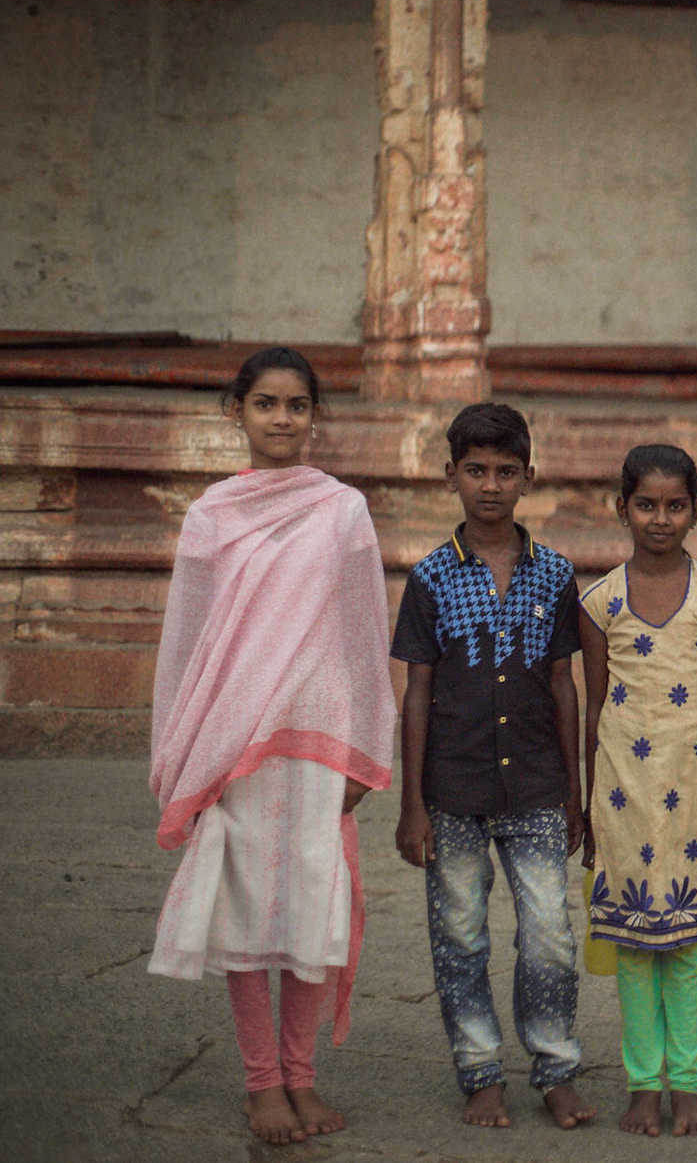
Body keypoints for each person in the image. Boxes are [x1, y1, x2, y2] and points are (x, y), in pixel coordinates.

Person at [149, 347, 395, 1146]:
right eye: (265, 404)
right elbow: (188, 640)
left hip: (317, 736)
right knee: (249, 912)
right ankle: (263, 1085)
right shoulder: (212, 514)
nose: (282, 419)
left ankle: (303, 1077)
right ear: (237, 412)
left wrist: (363, 745)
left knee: (313, 910)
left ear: (314, 416)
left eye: (296, 405)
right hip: (236, 737)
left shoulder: (341, 509)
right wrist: (189, 747)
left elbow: (364, 633)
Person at [390, 403, 596, 1132]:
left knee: (548, 937)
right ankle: (480, 1072)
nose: (490, 485)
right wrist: (412, 804)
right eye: (475, 470)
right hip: (454, 792)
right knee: (460, 939)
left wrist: (575, 792)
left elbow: (564, 685)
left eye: (506, 471)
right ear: (450, 475)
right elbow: (416, 693)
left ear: (527, 479)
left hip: (538, 787)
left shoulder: (555, 576)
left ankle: (554, 1068)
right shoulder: (432, 580)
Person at [579, 444, 697, 1138]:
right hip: (622, 797)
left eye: (675, 506)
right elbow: (592, 707)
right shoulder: (599, 602)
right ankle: (643, 1084)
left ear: (695, 511)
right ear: (622, 508)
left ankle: (689, 1084)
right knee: (634, 947)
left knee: (683, 948)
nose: (660, 518)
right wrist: (580, 799)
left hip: (696, 797)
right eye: (646, 504)